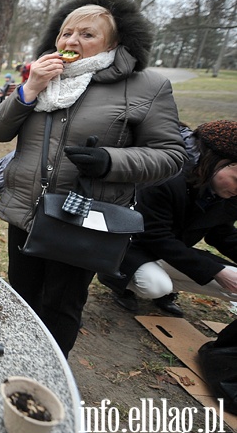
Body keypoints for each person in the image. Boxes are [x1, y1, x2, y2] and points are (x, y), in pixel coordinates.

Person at [0, 0, 187, 358]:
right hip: (26, 211)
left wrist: (110, 161)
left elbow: (171, 156)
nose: (71, 41)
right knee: (21, 296)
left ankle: (49, 372)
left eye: (87, 34)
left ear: (116, 41)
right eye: (65, 33)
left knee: (61, 306)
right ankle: (15, 360)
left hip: (84, 219)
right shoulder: (45, 77)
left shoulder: (147, 86)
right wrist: (29, 89)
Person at [99, 120, 237, 316]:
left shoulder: (227, 192)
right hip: (132, 247)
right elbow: (154, 236)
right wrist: (216, 271)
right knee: (155, 285)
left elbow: (221, 234)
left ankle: (167, 288)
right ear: (218, 162)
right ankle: (119, 281)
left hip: (172, 252)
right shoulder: (168, 177)